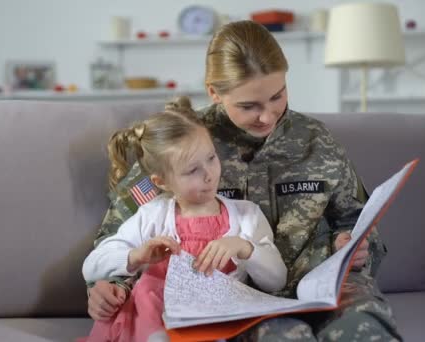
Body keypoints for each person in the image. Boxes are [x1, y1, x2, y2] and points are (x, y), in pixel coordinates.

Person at [87, 20, 401, 341]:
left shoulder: (317, 141)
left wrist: (356, 245)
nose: (267, 116)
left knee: (366, 330)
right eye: (249, 106)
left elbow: (358, 222)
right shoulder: (184, 141)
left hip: (324, 285)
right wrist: (112, 285)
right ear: (214, 92)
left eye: (278, 96)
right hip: (232, 300)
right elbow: (124, 234)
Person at [81, 100, 288, 342]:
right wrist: (137, 256)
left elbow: (277, 281)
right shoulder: (152, 215)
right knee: (148, 290)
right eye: (192, 171)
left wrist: (244, 248)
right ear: (162, 182)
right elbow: (91, 266)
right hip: (157, 323)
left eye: (211, 158)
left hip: (216, 324)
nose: (209, 174)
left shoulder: (247, 216)